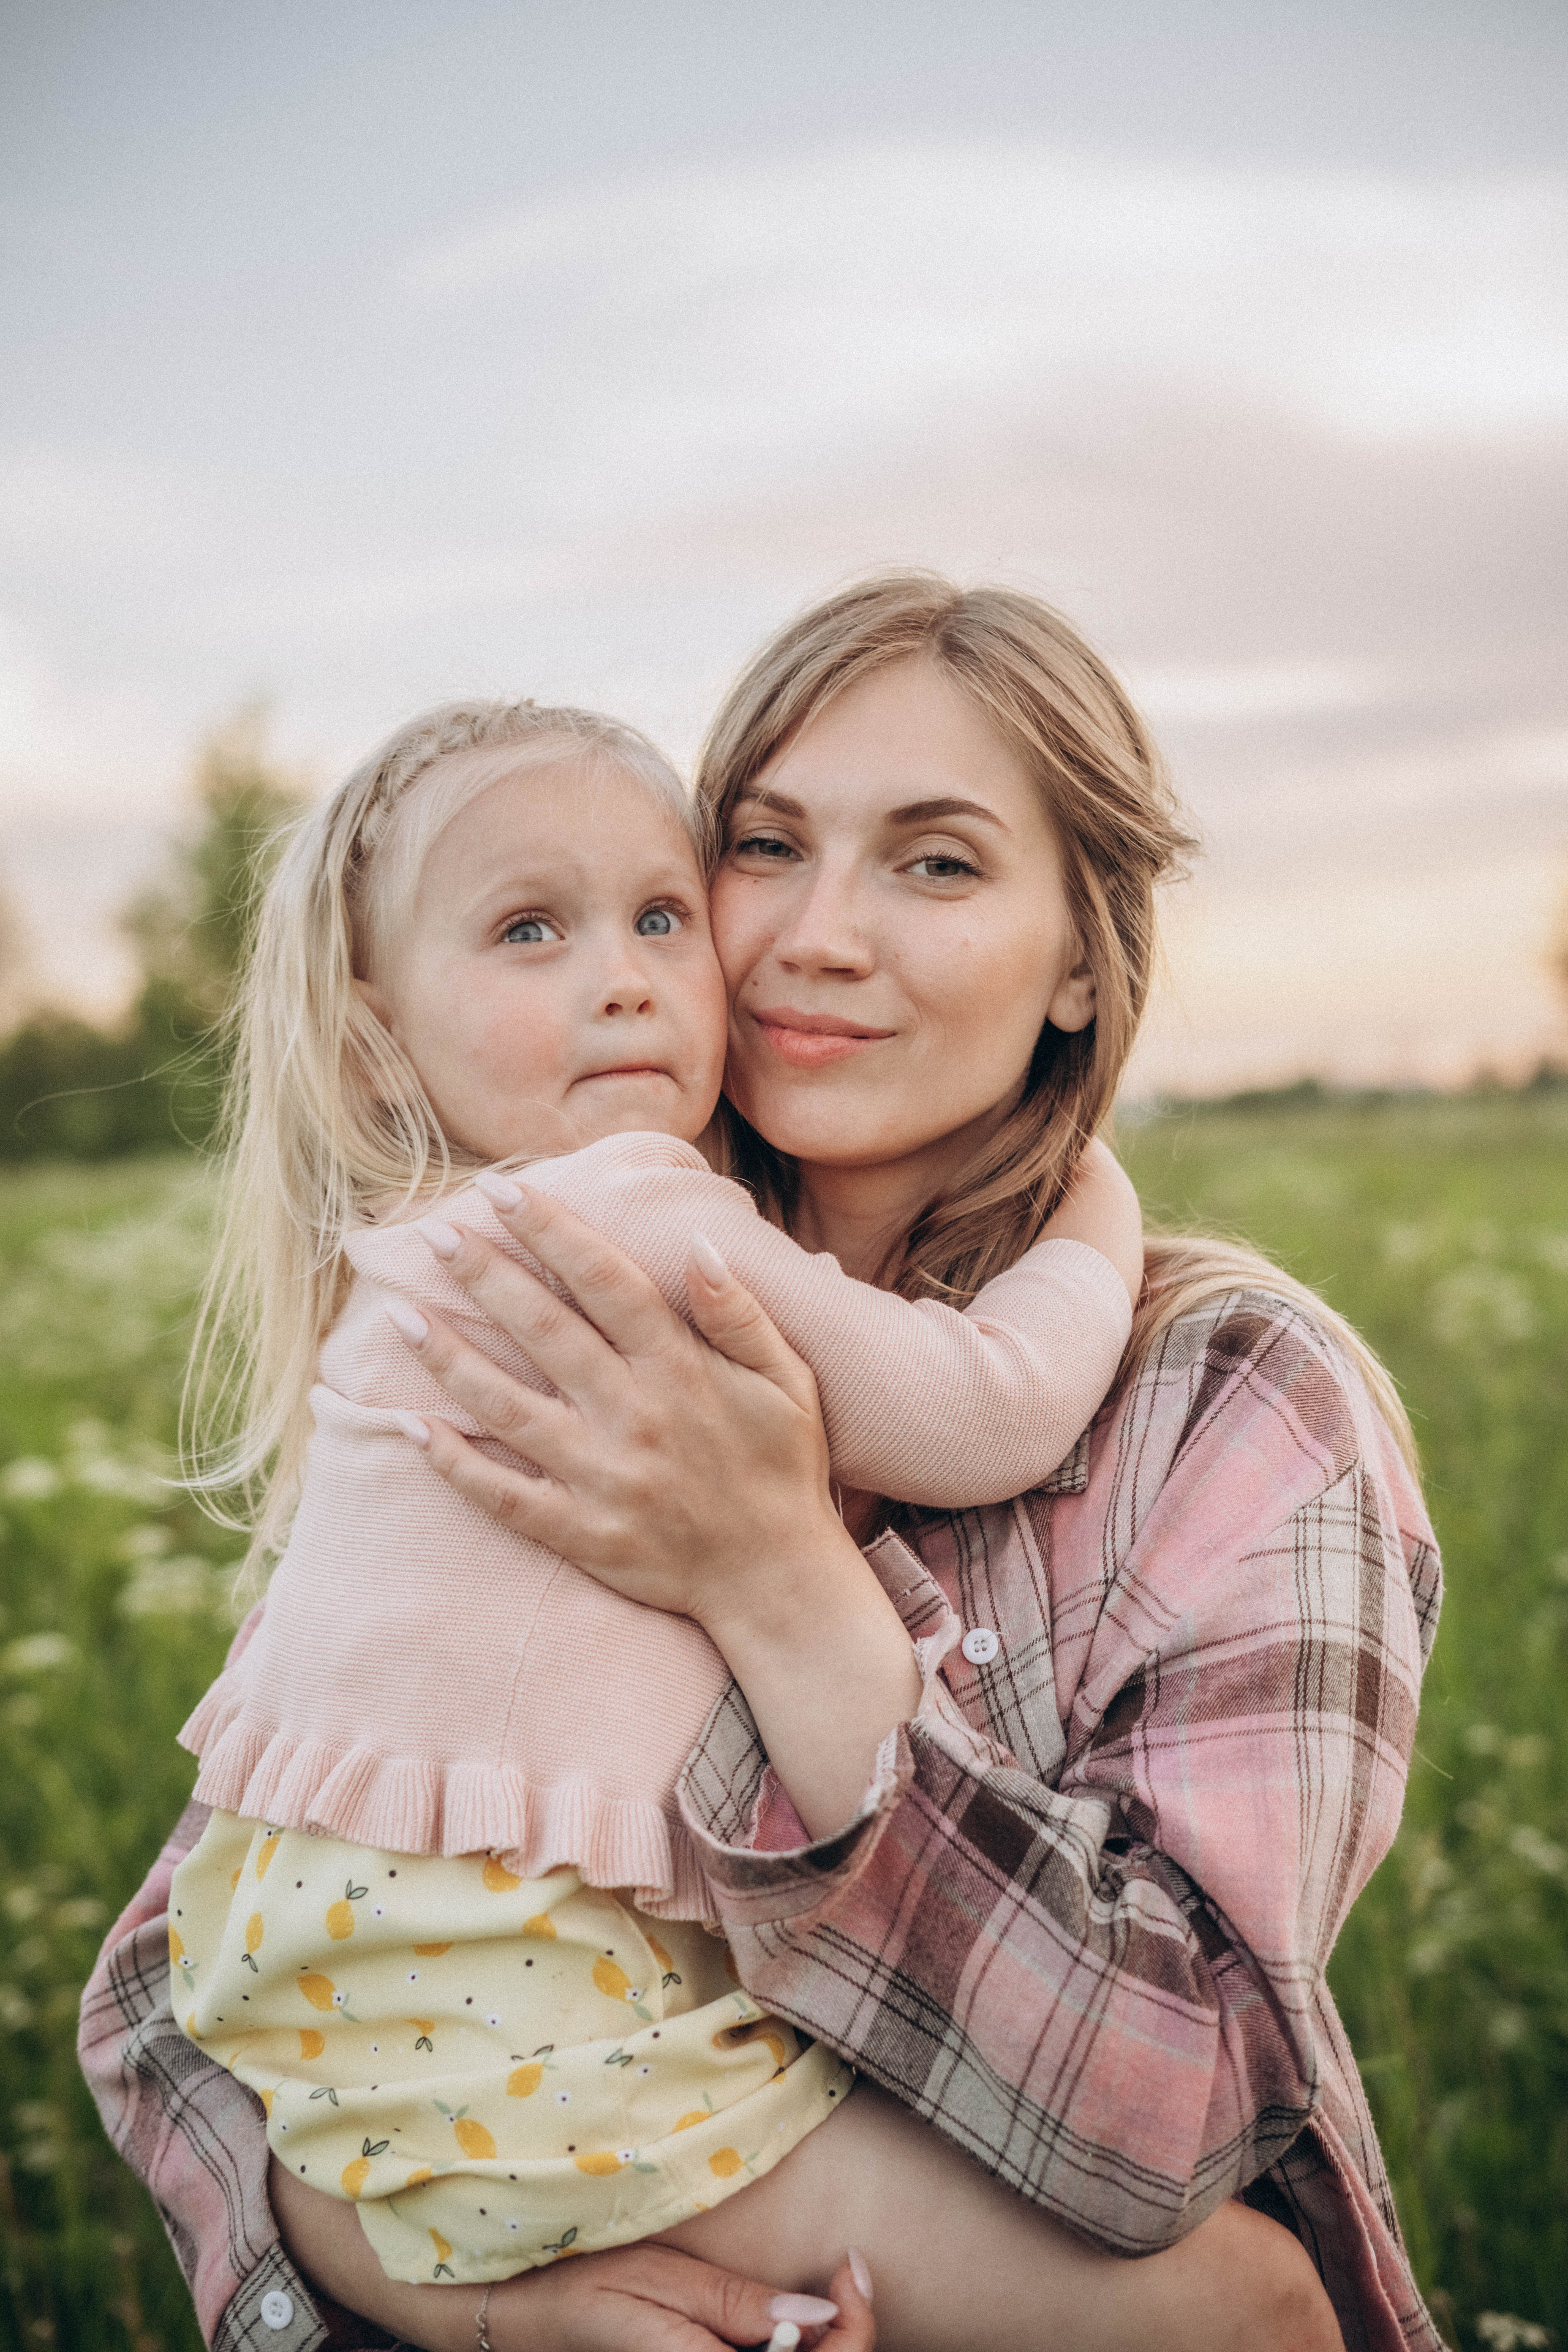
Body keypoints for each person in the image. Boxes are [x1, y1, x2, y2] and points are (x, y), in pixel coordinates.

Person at [82, 573, 1442, 2352]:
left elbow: (1180, 2112)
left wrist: (776, 1580)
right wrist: (515, 2312)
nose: (815, 934)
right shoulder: (561, 1302)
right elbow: (169, 1998)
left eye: (936, 863)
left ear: (1085, 963)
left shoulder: (1238, 1406)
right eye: (763, 847)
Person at [165, 687, 1142, 2296]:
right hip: (522, 1983)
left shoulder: (408, 1256)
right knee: (1232, 2312)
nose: (620, 979)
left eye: (660, 916)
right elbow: (984, 1415)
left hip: (317, 1998)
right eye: (530, 931)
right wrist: (1096, 1218)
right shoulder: (627, 1210)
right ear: (373, 1032)